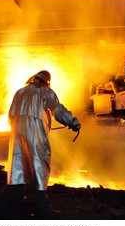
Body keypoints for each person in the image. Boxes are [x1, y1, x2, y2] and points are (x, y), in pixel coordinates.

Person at [6, 70, 81, 217]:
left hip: (17, 131)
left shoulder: (19, 92)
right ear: (46, 81)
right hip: (36, 131)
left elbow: (10, 115)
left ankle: (14, 204)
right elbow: (57, 110)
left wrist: (18, 128)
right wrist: (73, 123)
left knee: (18, 162)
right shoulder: (46, 92)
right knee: (40, 162)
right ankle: (42, 209)